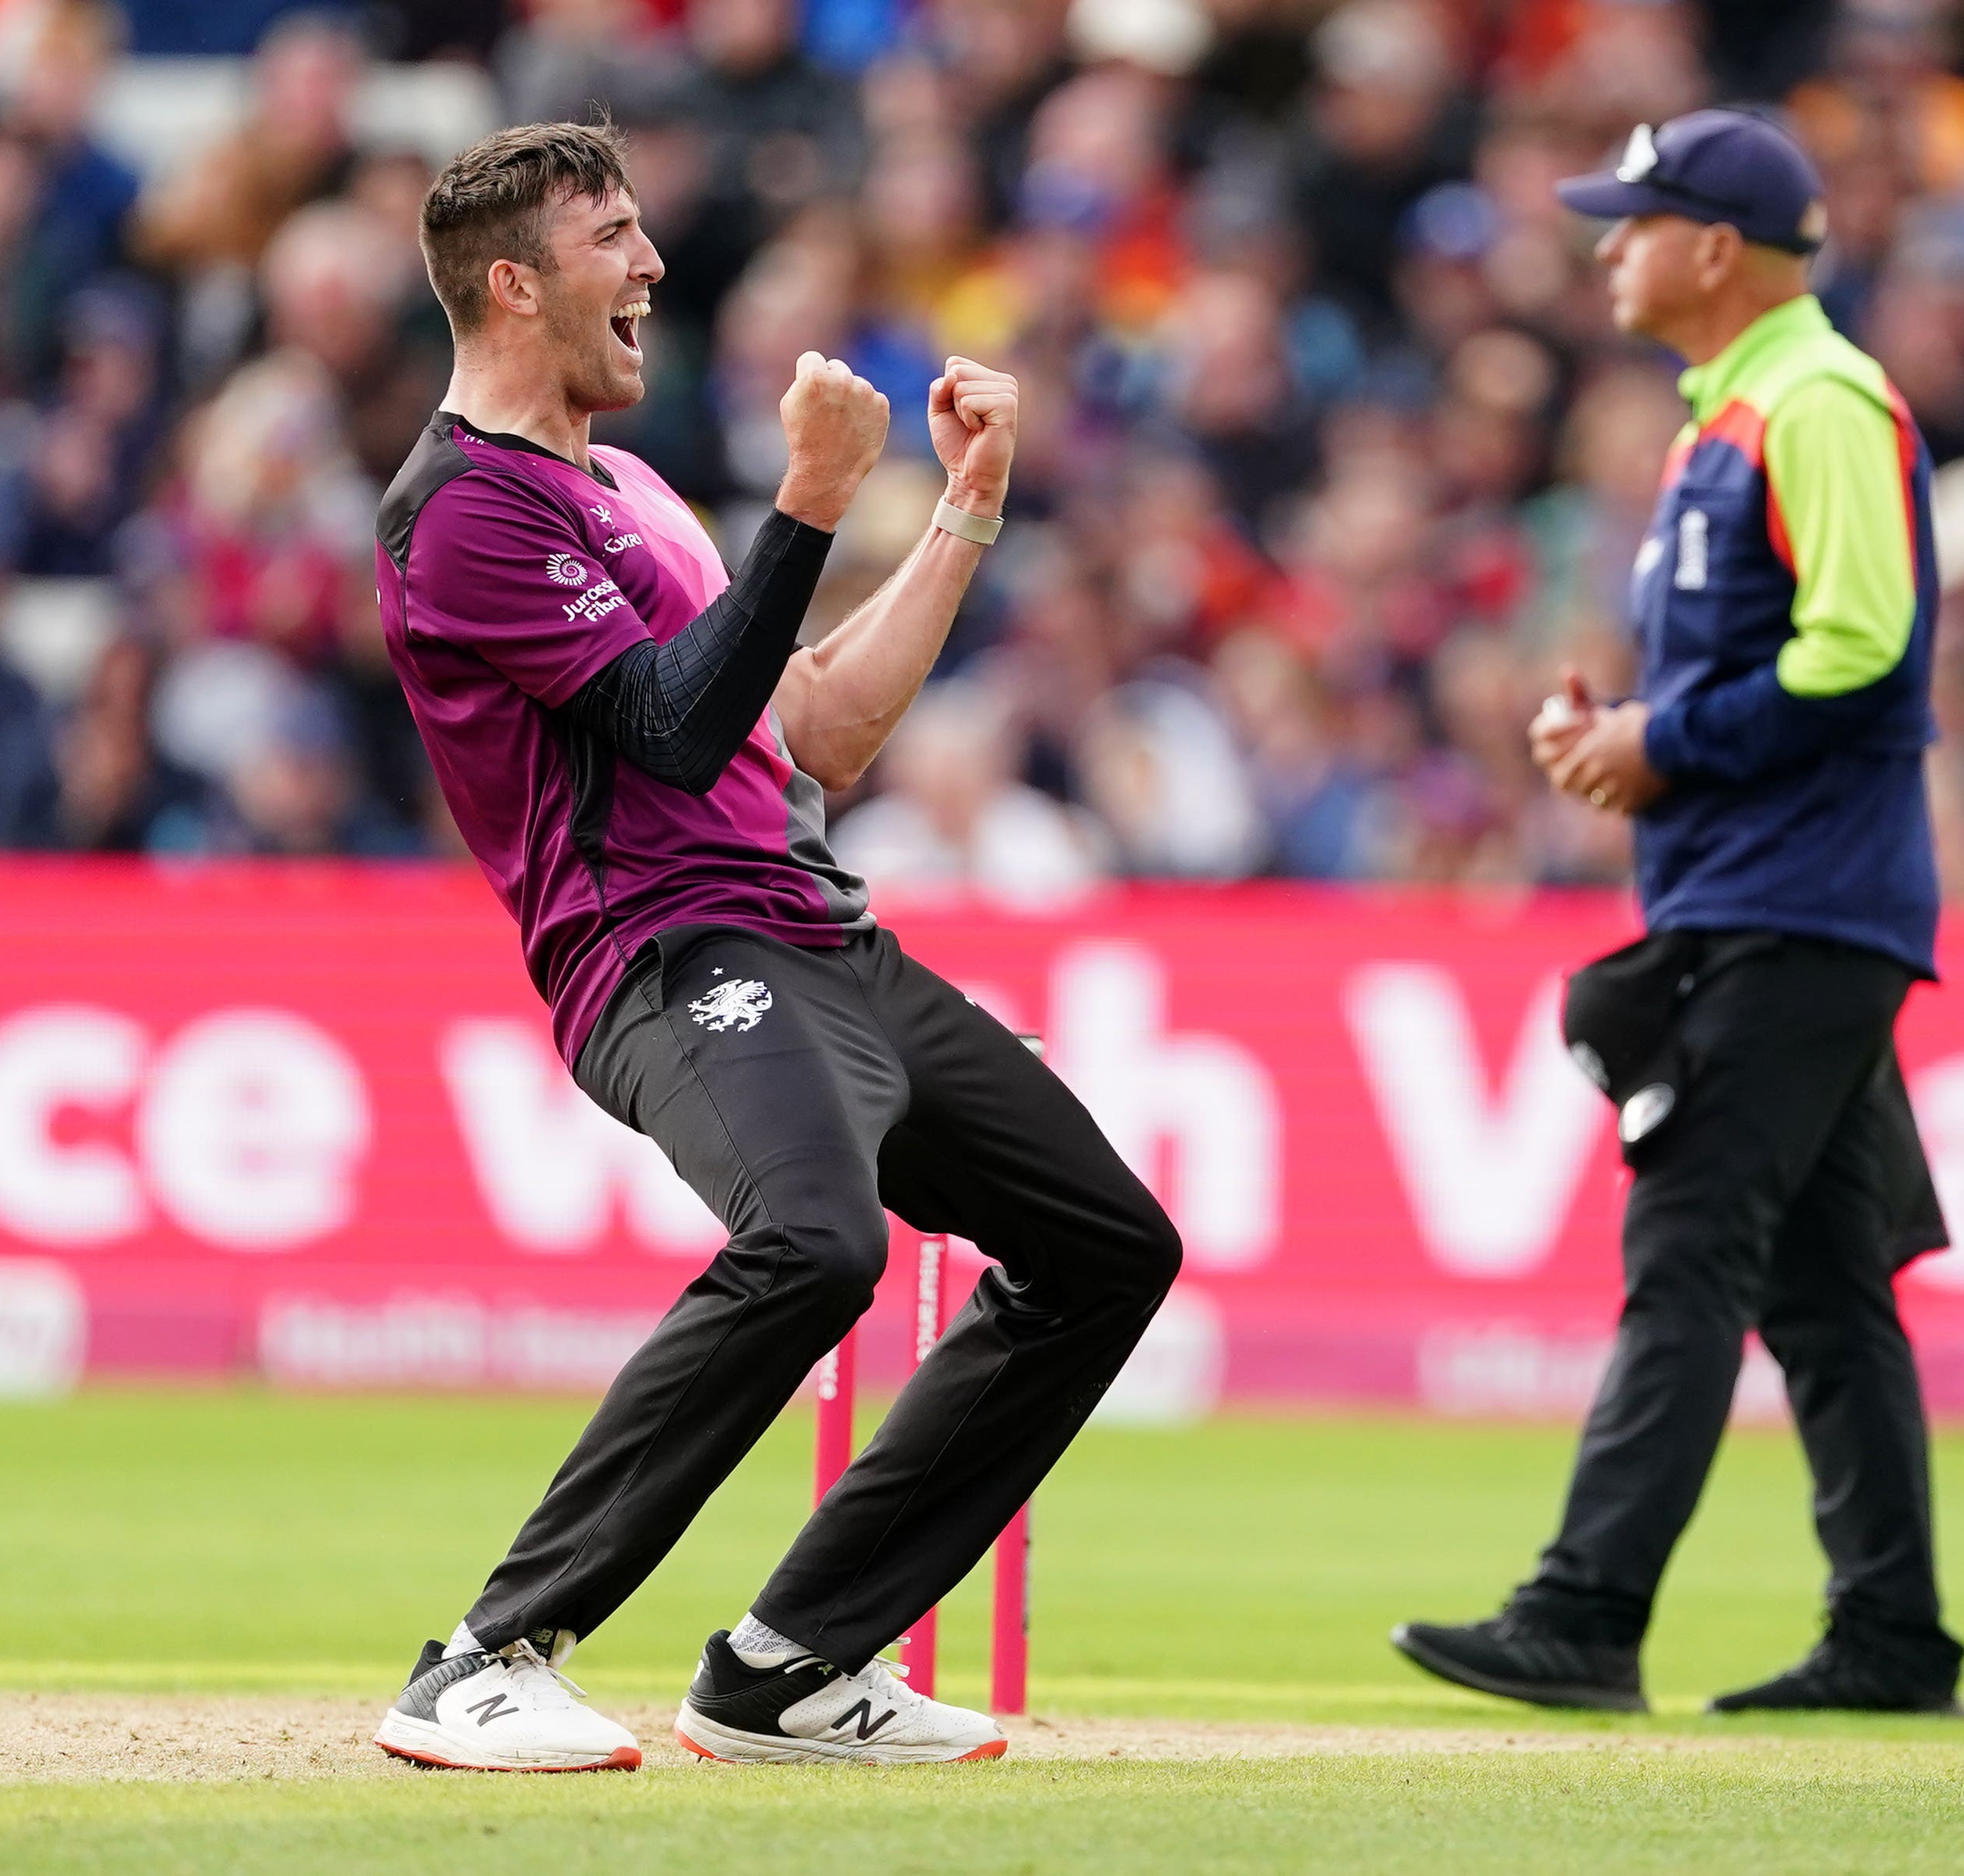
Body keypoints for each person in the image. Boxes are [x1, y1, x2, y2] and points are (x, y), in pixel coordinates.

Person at [368, 121, 1183, 1772]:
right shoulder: (458, 508)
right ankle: (480, 1656)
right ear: (514, 280)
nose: (652, 264)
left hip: (820, 937)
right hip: (660, 953)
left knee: (1107, 1245)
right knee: (814, 1242)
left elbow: (815, 722)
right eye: (613, 234)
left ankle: (787, 1663)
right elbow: (667, 736)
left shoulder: (631, 485)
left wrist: (958, 516)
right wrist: (810, 497)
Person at [1392, 110, 1964, 1717]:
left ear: (1714, 248)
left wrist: (1660, 740)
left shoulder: (1815, 401)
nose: (1603, 250)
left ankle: (1583, 1610)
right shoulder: (1734, 411)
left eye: (1631, 225)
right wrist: (1626, 729)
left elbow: (1860, 645)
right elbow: (1791, 656)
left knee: (1687, 1247)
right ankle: (1890, 1637)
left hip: (1791, 906)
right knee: (1820, 1289)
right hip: (1775, 894)